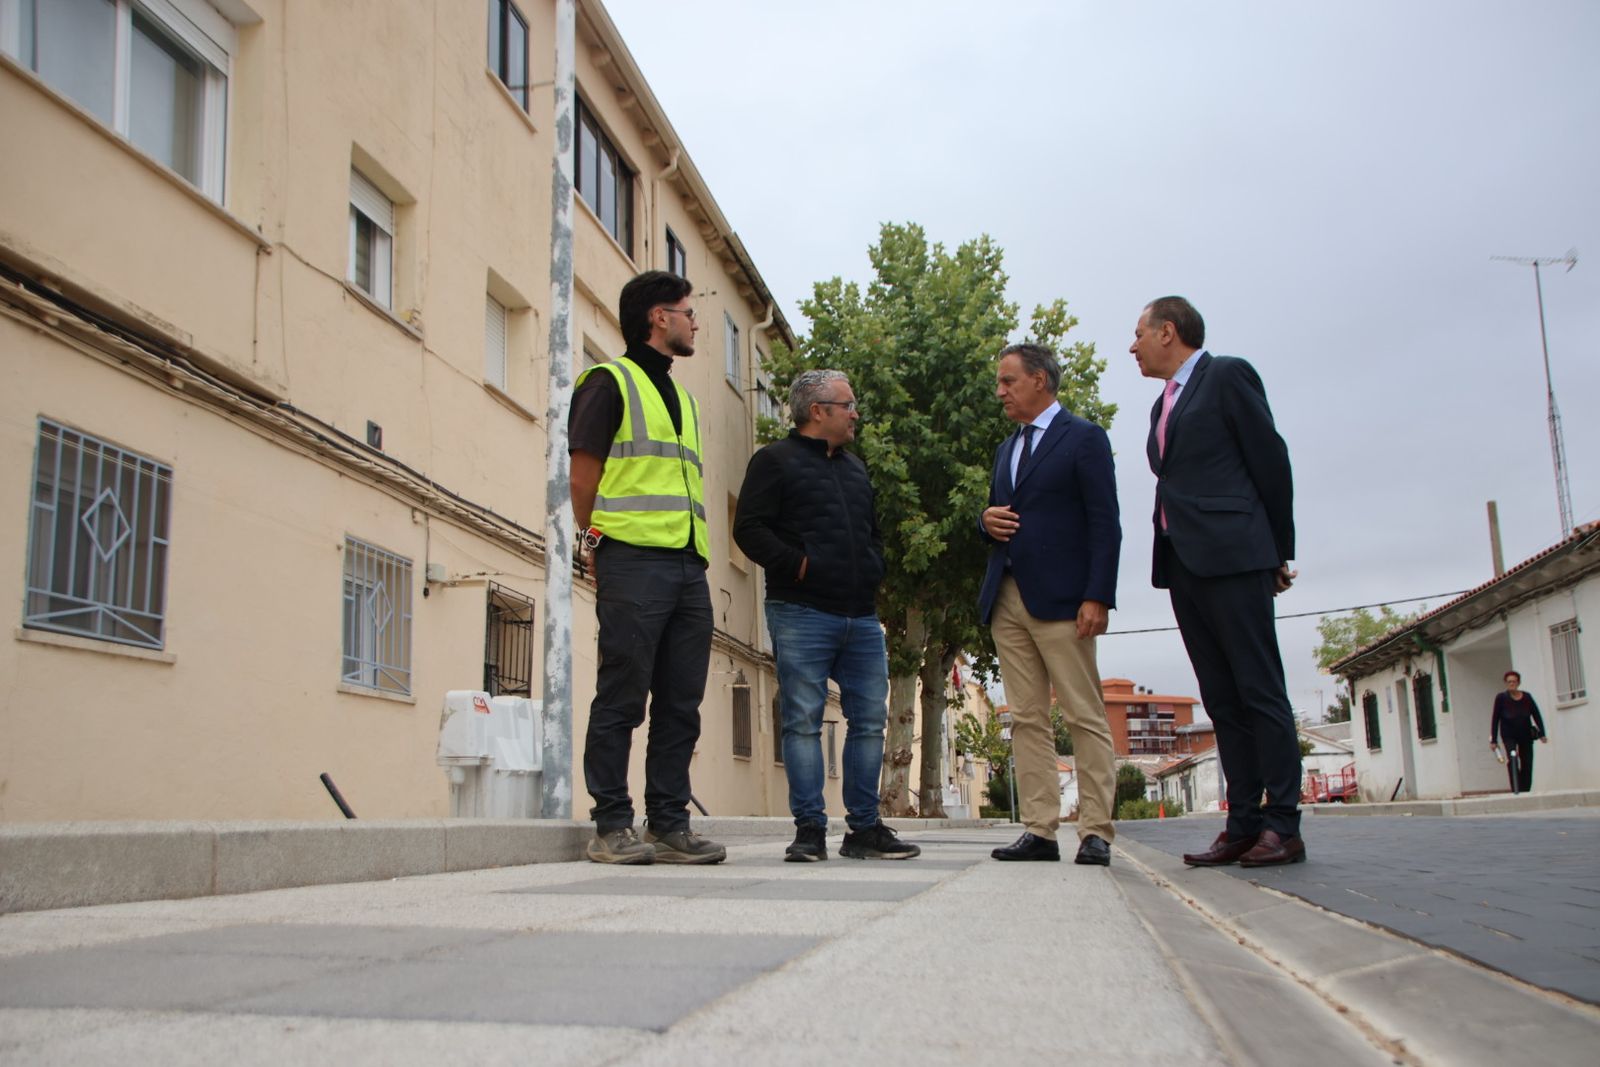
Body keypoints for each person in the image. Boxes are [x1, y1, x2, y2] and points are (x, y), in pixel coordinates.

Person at [1131, 296, 1304, 869]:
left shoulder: (1226, 375)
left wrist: (1278, 551)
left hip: (1235, 556)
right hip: (1183, 562)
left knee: (1259, 690)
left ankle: (1284, 823)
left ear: (1168, 332)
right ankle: (1242, 825)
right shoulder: (1162, 405)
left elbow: (1270, 461)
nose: (1131, 347)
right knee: (1222, 699)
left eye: (1138, 335)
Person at [568, 270, 725, 866]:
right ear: (658, 317)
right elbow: (583, 475)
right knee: (622, 695)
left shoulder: (682, 397)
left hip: (688, 566)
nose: (695, 321)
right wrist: (592, 543)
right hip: (632, 559)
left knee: (681, 702)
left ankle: (668, 823)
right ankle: (611, 824)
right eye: (687, 311)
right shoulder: (609, 382)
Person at [733, 370, 921, 863]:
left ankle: (864, 830)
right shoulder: (772, 462)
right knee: (801, 722)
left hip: (860, 617)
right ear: (818, 411)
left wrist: (874, 570)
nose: (856, 413)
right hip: (800, 611)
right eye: (848, 404)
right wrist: (799, 564)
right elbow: (749, 530)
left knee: (868, 723)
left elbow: (872, 534)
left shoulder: (857, 469)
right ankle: (809, 831)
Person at [977, 343, 1120, 866]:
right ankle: (1039, 830)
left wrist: (1098, 595)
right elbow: (999, 515)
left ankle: (1096, 831)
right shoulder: (1005, 449)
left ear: (1040, 380)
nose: (1001, 392)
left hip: (1065, 601)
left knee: (1084, 716)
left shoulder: (1084, 438)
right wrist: (983, 522)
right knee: (1027, 719)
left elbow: (1105, 521)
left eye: (1009, 381)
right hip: (1006, 596)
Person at [1491, 670, 1547, 793]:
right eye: (1509, 682)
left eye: (1514, 681)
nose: (1511, 684)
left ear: (1518, 683)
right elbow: (1495, 718)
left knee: (1527, 762)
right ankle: (1516, 788)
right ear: (1506, 683)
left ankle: (1525, 789)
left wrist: (1542, 733)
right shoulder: (1501, 698)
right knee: (1513, 759)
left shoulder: (1527, 697)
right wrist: (1494, 740)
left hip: (1525, 734)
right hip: (1509, 735)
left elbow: (1536, 715)